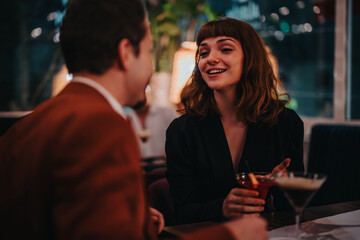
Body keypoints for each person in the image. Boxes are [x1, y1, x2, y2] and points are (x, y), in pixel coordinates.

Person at [0, 2, 268, 240]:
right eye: (149, 50)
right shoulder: (100, 125)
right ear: (126, 52)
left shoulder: (27, 126)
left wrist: (129, 220)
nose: (151, 66)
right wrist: (229, 235)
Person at [165, 17, 304, 224]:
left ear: (250, 58)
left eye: (225, 49)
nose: (210, 58)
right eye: (204, 52)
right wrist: (220, 208)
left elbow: (298, 206)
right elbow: (181, 212)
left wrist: (278, 189)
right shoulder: (182, 131)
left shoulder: (285, 123)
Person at [127, 100, 178, 170]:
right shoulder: (126, 116)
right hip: (138, 168)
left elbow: (181, 135)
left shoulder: (166, 113)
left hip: (164, 167)